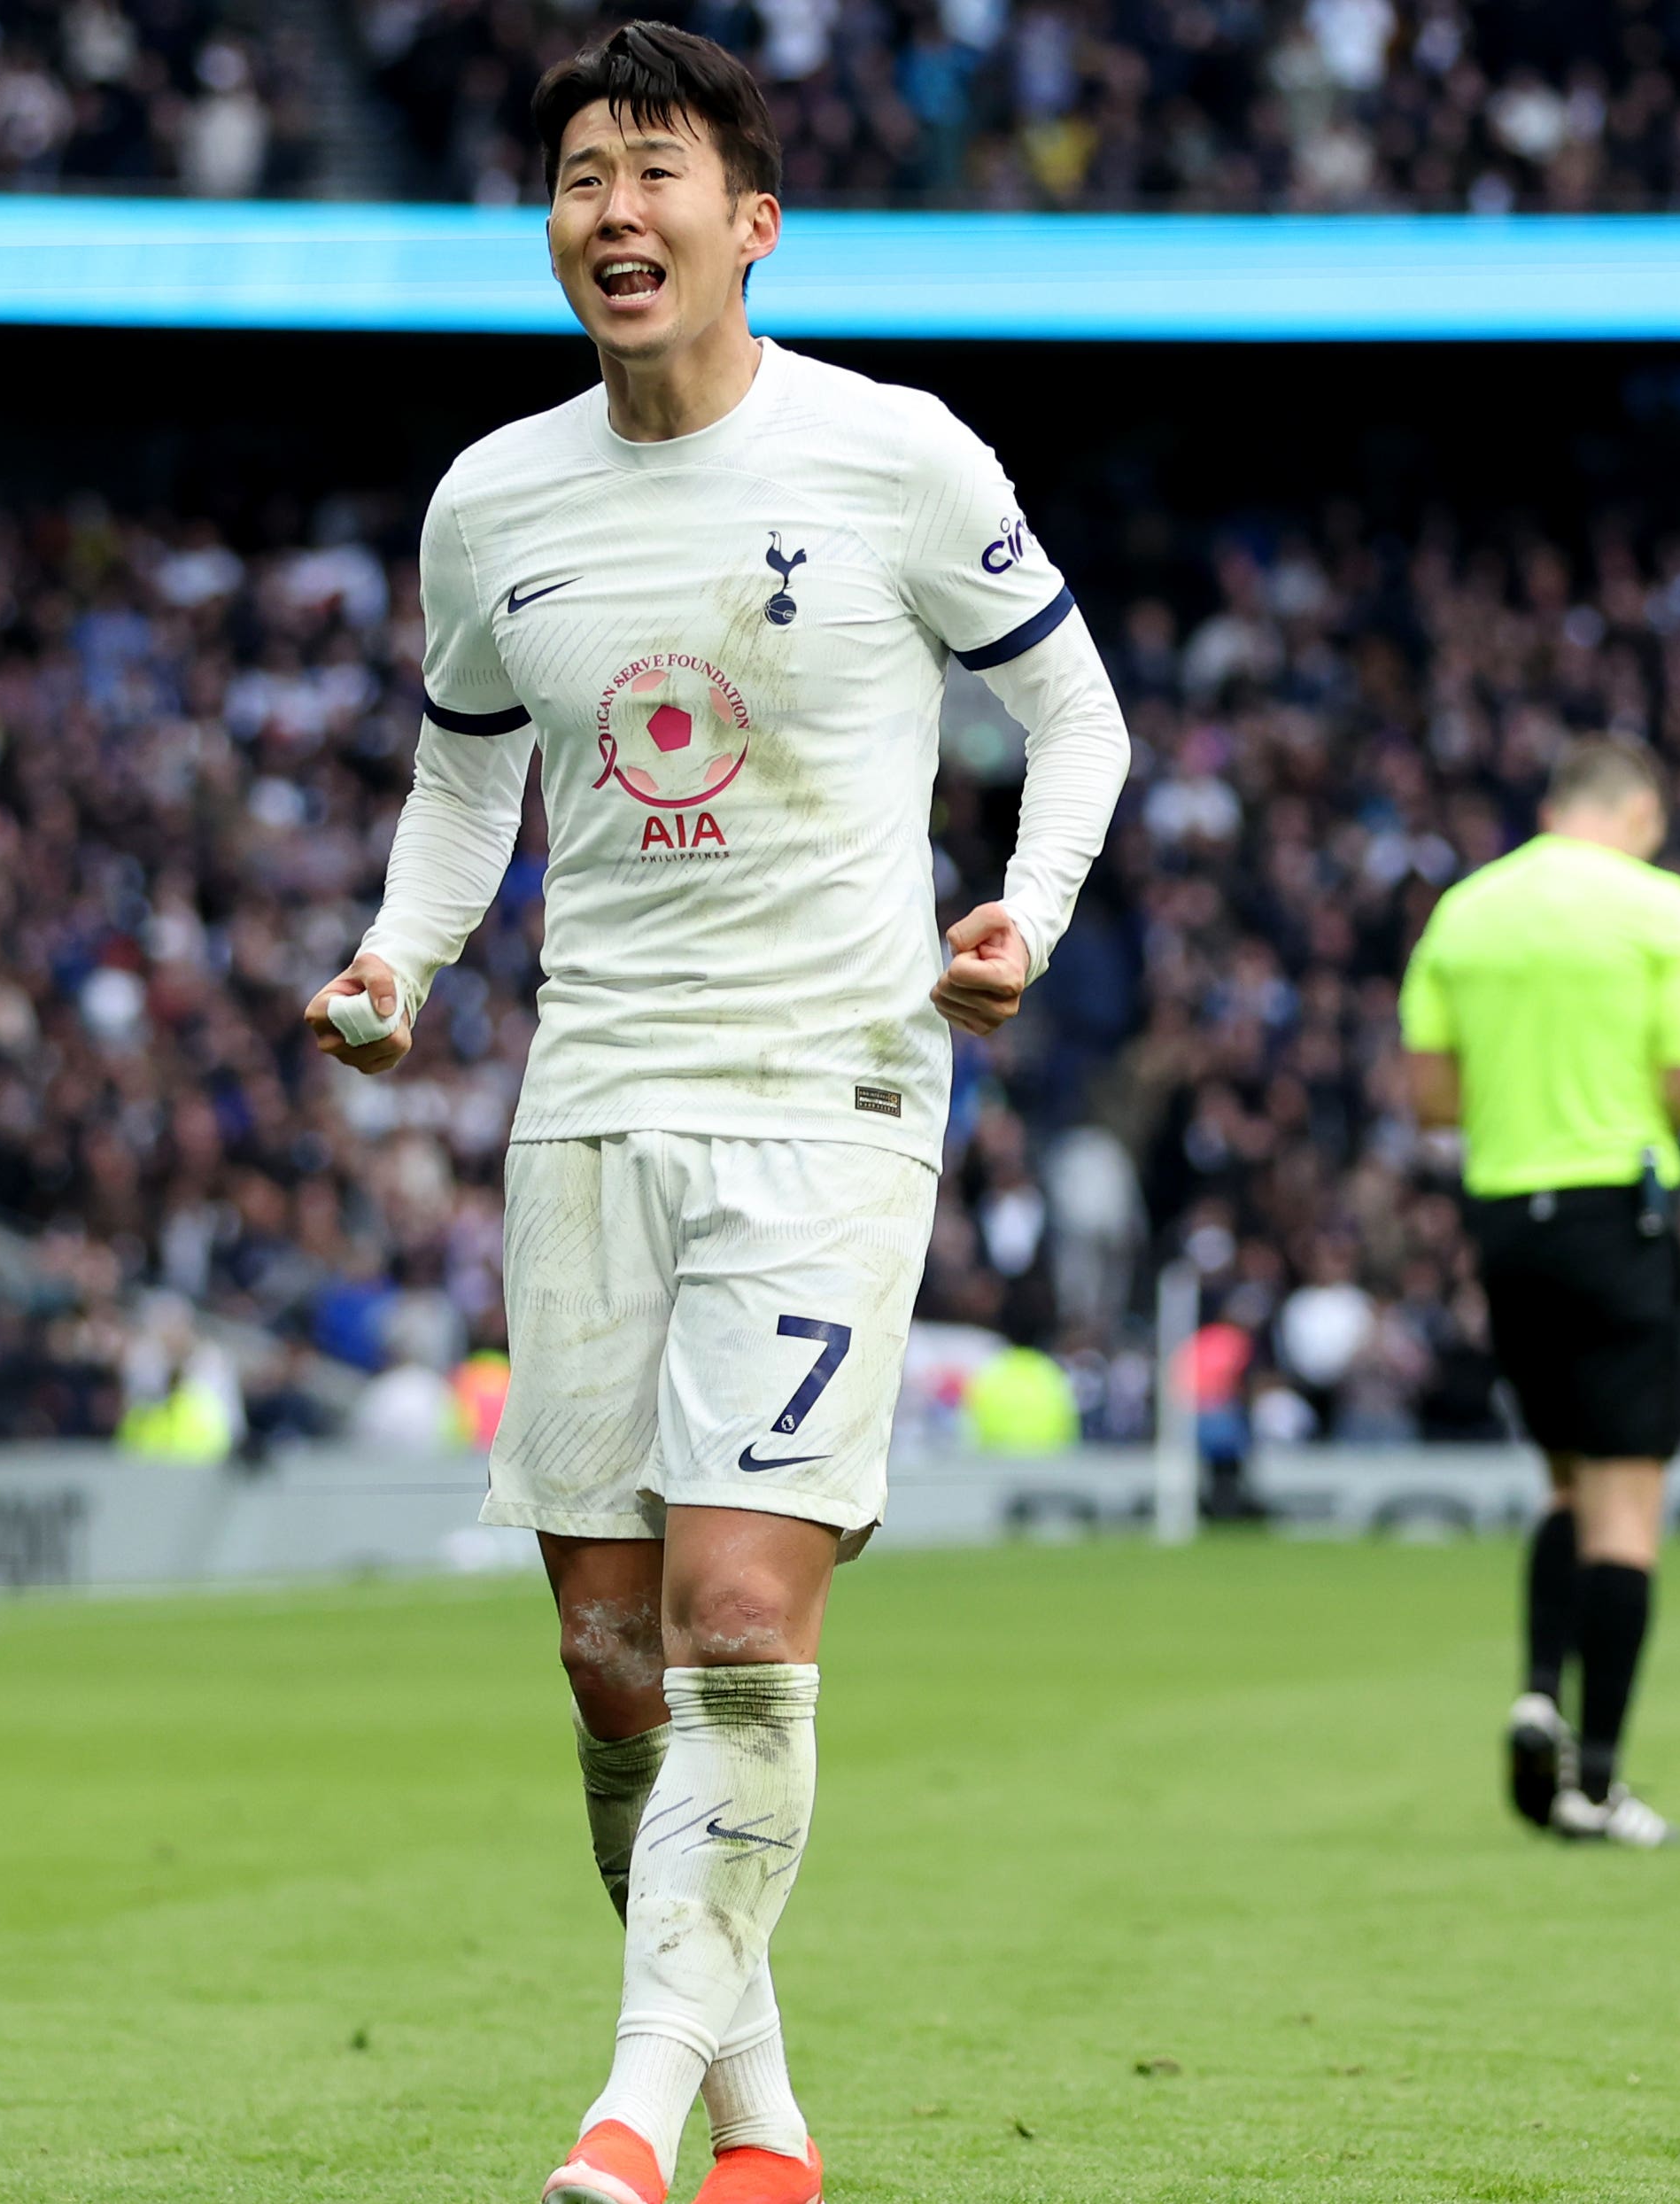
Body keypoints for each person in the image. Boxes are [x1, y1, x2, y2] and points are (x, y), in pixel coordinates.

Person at [304, 24, 1127, 2202]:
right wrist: (402, 961)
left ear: (752, 223)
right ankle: (763, 2130)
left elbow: (1077, 717)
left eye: (656, 170)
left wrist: (1023, 916)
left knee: (740, 1621)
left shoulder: (896, 455)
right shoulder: (493, 499)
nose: (614, 209)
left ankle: (628, 2122)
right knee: (609, 1661)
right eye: (581, 173)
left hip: (830, 1091)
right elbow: (463, 777)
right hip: (591, 1102)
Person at [1399, 738, 1680, 1847]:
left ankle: (1539, 1684)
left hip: (1506, 1223)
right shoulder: (1660, 909)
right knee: (1627, 1505)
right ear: (1637, 809)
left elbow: (1433, 1099)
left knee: (1563, 1479)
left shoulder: (1468, 910)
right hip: (1615, 1218)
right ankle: (1596, 1779)